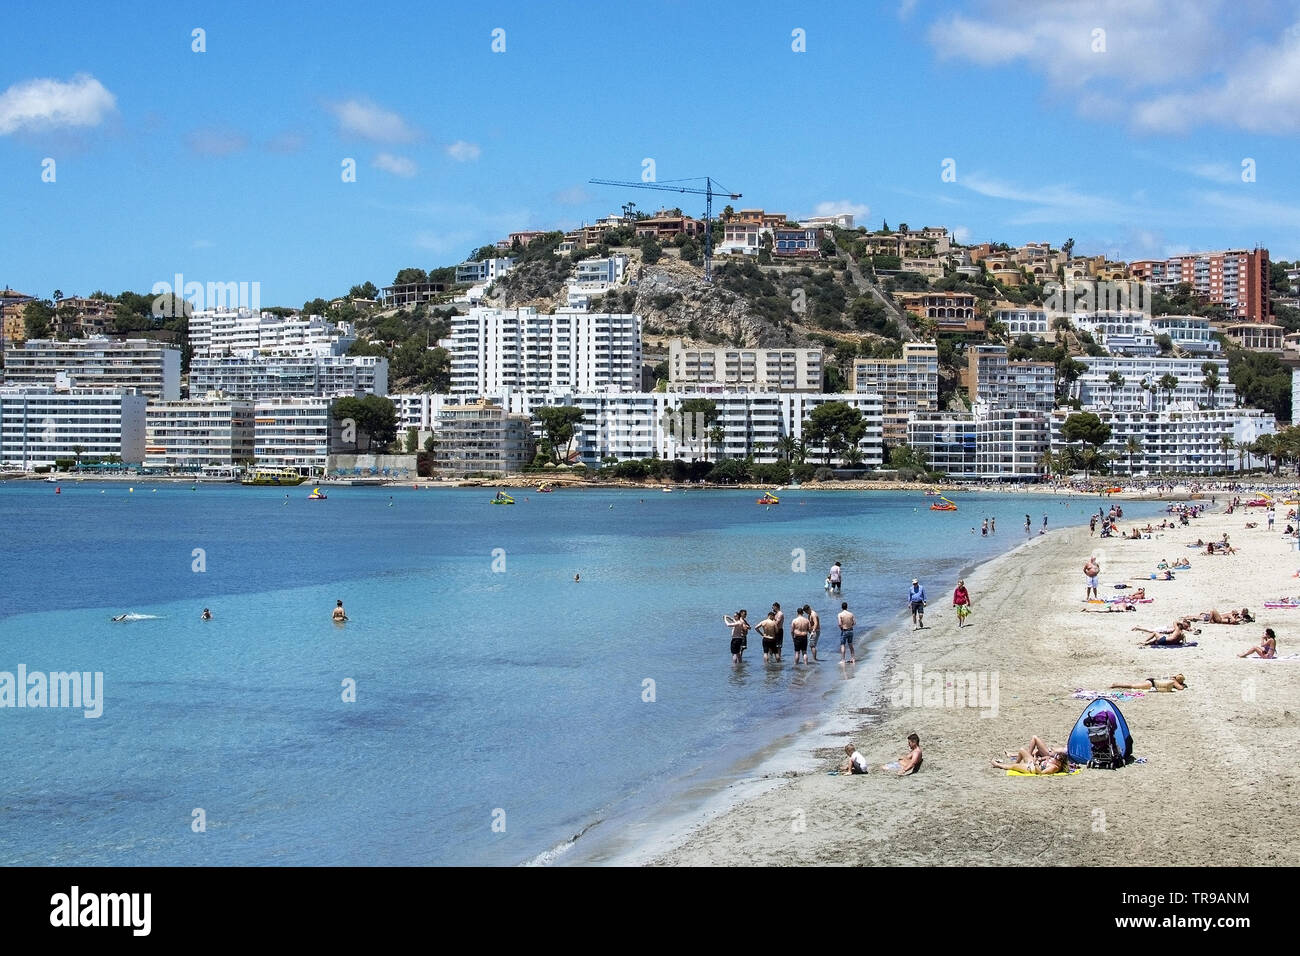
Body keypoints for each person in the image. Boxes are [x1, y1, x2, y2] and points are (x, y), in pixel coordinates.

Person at [992, 736, 1068, 775]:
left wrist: (1035, 763)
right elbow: (1044, 758)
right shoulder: (1052, 761)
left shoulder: (1053, 767)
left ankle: (998, 765)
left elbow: (1040, 774)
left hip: (1031, 768)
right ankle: (1016, 763)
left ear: (1060, 761)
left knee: (1012, 767)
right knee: (1021, 750)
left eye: (1056, 757)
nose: (1053, 757)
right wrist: (1039, 759)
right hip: (1033, 763)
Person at [1111, 674, 1187, 692]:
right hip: (1152, 684)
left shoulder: (1171, 677)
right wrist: (1182, 685)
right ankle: (1116, 685)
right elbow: (1180, 688)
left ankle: (1117, 685)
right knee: (1133, 686)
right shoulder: (1174, 681)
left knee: (1134, 685)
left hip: (1152, 681)